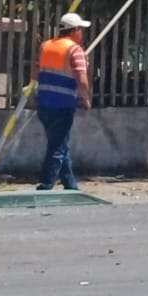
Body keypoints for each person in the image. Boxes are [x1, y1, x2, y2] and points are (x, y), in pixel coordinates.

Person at [32, 12, 92, 190]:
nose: (82, 33)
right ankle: (46, 183)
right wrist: (86, 98)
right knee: (57, 146)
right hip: (63, 104)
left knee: (59, 142)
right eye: (80, 29)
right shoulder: (74, 49)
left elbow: (35, 71)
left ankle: (70, 184)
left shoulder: (46, 46)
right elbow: (81, 78)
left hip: (44, 103)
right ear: (74, 31)